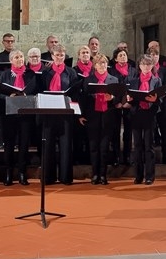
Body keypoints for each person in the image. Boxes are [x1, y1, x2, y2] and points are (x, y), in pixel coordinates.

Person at [39, 44, 80, 185]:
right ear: (52, 56)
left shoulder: (71, 72)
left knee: (66, 144)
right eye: (57, 55)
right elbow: (41, 89)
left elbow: (75, 91)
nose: (59, 57)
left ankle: (65, 177)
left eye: (62, 55)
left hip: (65, 112)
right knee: (48, 144)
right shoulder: (46, 72)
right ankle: (48, 177)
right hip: (49, 111)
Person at [0, 50, 38, 185]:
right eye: (16, 57)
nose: (19, 59)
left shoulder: (30, 74)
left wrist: (25, 95)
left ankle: (22, 173)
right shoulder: (5, 75)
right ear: (11, 60)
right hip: (9, 113)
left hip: (25, 113)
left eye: (21, 56)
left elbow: (35, 90)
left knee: (24, 144)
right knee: (9, 144)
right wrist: (9, 97)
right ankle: (8, 173)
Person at [80, 54, 119, 185]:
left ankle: (103, 175)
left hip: (108, 116)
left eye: (104, 63)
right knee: (93, 147)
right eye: (99, 63)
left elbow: (119, 98)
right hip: (93, 116)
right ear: (95, 66)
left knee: (104, 148)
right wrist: (81, 115)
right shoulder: (88, 80)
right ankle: (95, 174)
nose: (102, 65)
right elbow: (84, 99)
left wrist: (112, 98)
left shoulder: (113, 80)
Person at [127, 54, 163, 185]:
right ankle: (138, 175)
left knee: (149, 146)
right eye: (143, 64)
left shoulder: (157, 81)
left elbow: (160, 100)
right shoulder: (133, 81)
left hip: (150, 115)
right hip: (136, 114)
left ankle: (149, 176)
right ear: (139, 66)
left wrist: (155, 100)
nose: (146, 66)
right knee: (137, 146)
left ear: (152, 65)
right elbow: (130, 99)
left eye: (148, 64)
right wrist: (130, 99)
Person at [147, 43, 166, 165]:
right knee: (151, 129)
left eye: (156, 55)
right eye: (151, 55)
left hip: (163, 102)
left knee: (165, 128)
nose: (154, 57)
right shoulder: (146, 69)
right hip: (150, 103)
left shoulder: (163, 70)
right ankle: (150, 157)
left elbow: (165, 83)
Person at [109, 48, 136, 166]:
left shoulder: (133, 70)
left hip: (129, 104)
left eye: (124, 55)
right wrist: (117, 102)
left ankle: (127, 156)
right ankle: (116, 156)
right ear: (115, 59)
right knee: (115, 131)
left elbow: (135, 86)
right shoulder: (111, 71)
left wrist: (128, 102)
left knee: (128, 131)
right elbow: (111, 88)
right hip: (116, 105)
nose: (123, 57)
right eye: (120, 55)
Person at [72, 45, 93, 165]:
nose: (85, 54)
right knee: (78, 136)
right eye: (83, 52)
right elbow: (73, 92)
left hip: (92, 106)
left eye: (87, 52)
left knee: (90, 136)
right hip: (79, 105)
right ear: (79, 55)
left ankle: (89, 159)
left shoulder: (94, 69)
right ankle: (78, 159)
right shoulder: (74, 71)